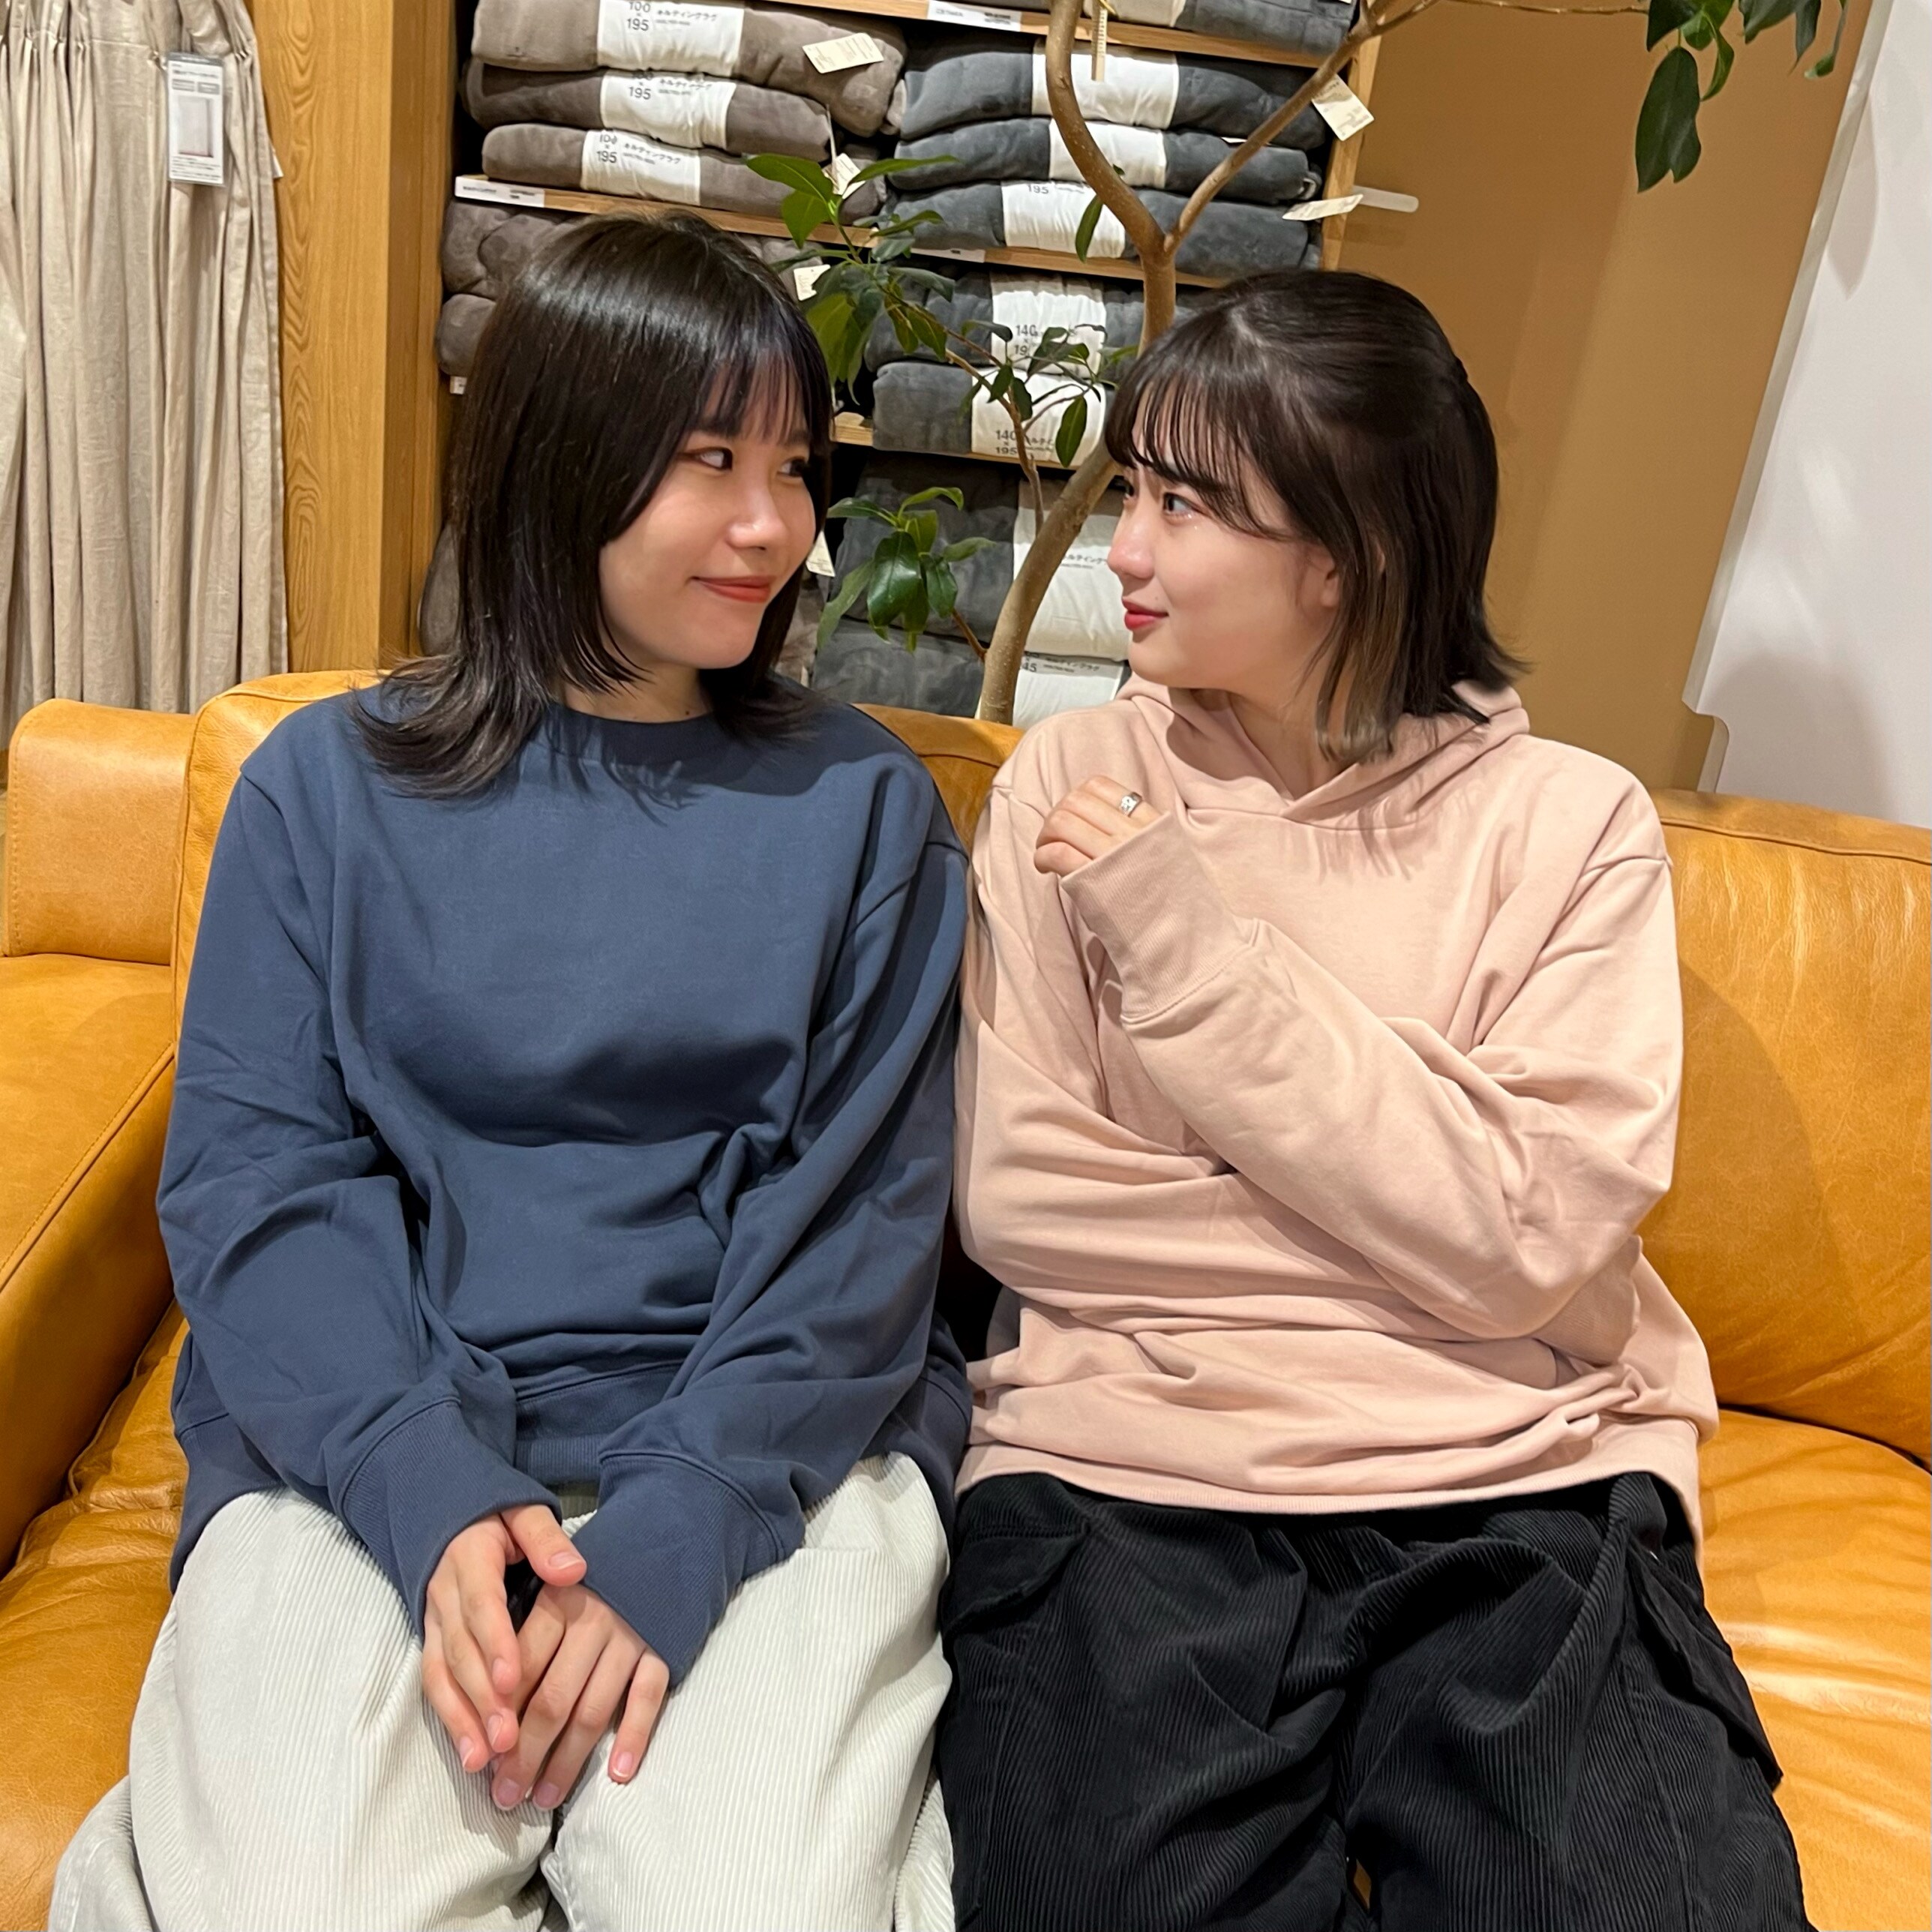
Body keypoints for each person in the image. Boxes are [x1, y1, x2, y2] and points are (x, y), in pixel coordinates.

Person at [52, 214, 969, 1932]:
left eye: (794, 465)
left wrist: (684, 1524)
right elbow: (259, 1184)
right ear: (560, 461)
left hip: (760, 1459)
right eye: (709, 461)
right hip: (362, 1451)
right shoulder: (322, 791)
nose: (774, 526)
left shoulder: (863, 808)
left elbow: (862, 1232)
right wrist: (425, 1482)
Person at [937, 270, 1810, 1931]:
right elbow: (1024, 1200)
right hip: (1136, 1479)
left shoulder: (1570, 826)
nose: (1124, 549)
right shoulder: (1071, 783)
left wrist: (1192, 956)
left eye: (1184, 506)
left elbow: (1533, 1232)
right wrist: (1431, 1235)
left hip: (1516, 1489)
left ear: (1349, 554)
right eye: (1133, 488)